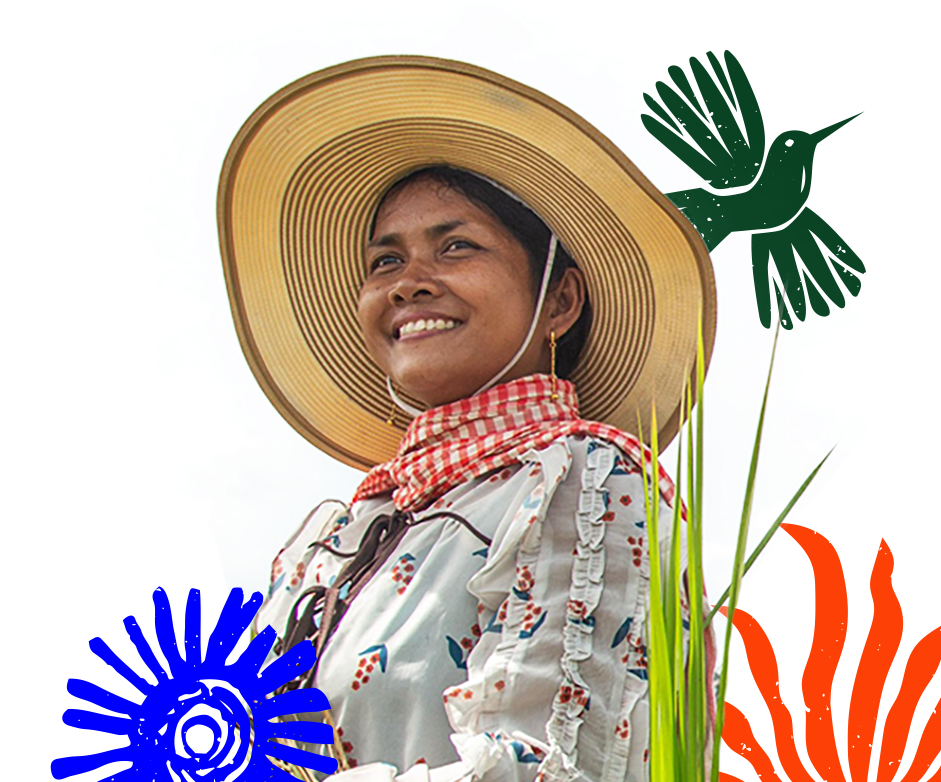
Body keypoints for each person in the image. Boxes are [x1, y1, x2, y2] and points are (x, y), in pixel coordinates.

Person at [218, 55, 719, 782]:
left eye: (456, 246)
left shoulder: (581, 483)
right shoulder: (341, 538)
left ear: (559, 301)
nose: (410, 281)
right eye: (384, 262)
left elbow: (548, 768)